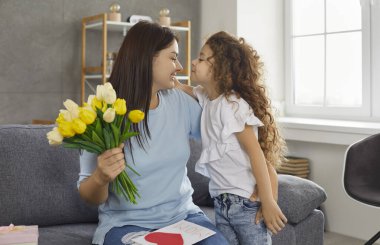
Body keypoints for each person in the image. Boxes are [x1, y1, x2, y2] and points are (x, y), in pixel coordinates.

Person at [77, 21, 229, 245]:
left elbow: (225, 136)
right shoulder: (103, 113)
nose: (179, 66)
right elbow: (89, 196)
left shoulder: (181, 103)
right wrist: (101, 177)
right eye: (172, 57)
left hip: (183, 217)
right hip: (126, 224)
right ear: (147, 58)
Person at [175, 31, 288, 245]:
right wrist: (175, 84)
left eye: (201, 58)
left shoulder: (232, 105)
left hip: (246, 204)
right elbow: (189, 90)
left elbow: (256, 154)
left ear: (221, 69)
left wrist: (268, 201)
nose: (193, 62)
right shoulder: (208, 99)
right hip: (221, 203)